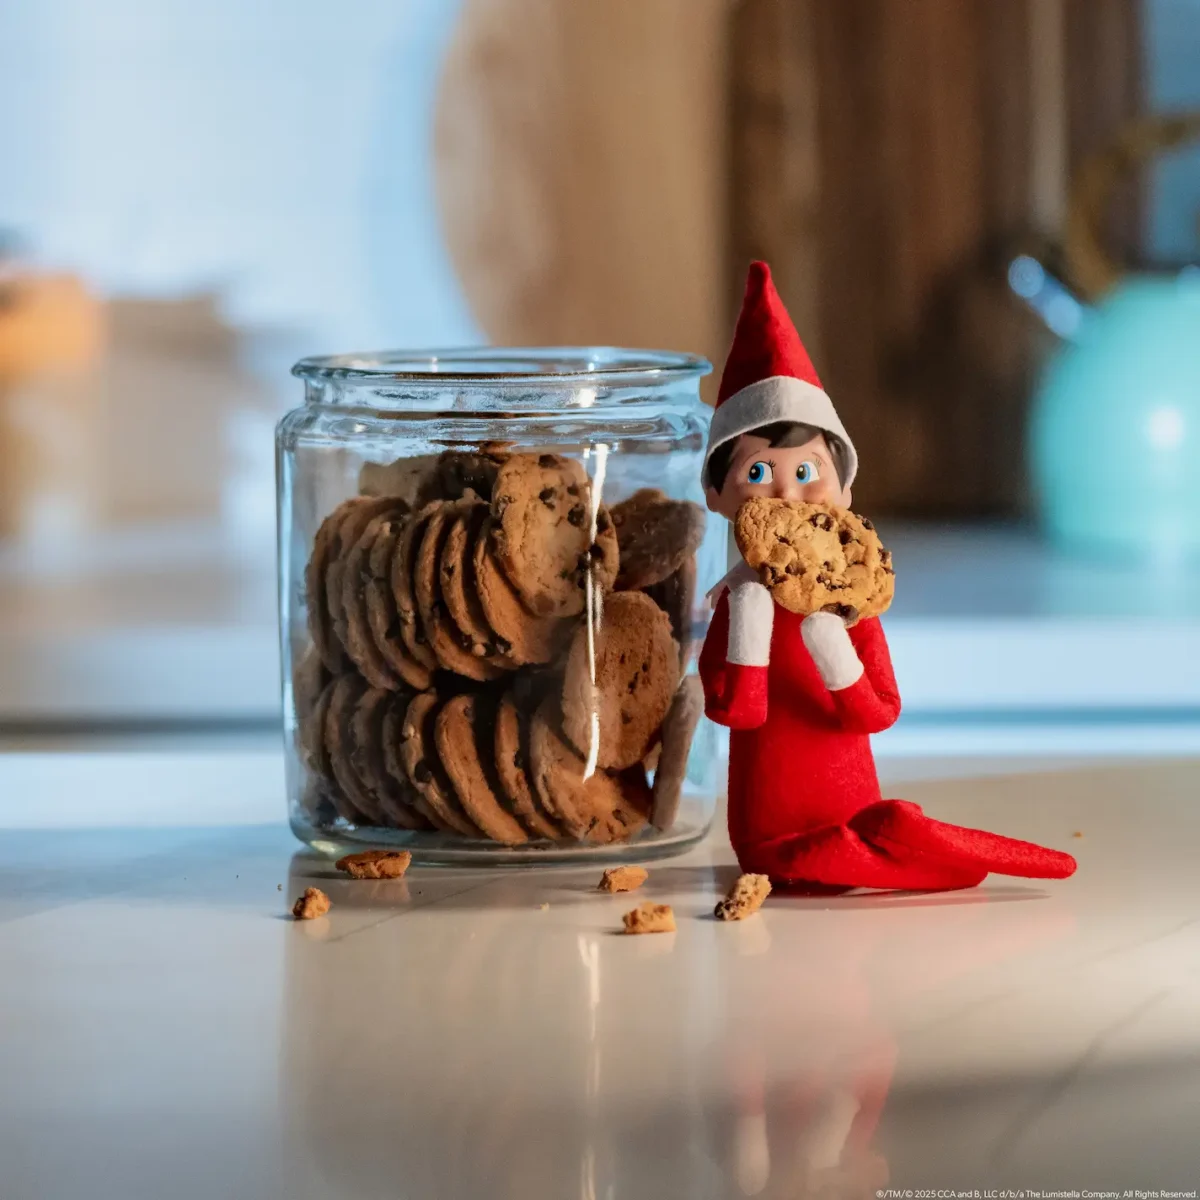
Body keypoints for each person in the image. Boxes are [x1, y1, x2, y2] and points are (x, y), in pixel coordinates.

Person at [698, 261, 1077, 892]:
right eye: (759, 474)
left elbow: (877, 713)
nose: (787, 496)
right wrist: (750, 630)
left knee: (887, 830)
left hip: (849, 808)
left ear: (843, 491)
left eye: (807, 472)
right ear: (717, 495)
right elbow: (738, 714)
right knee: (873, 842)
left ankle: (920, 846)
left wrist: (833, 651)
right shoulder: (735, 604)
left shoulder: (852, 603)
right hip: (763, 831)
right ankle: (918, 852)